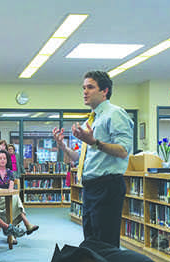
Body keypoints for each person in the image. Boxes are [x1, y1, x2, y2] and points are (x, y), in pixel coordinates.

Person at [52, 70, 133, 247]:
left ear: (104, 91)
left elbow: (123, 150)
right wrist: (63, 147)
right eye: (83, 88)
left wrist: (95, 142)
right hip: (90, 187)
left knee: (105, 243)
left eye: (90, 87)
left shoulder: (115, 114)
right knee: (91, 239)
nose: (85, 92)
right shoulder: (90, 120)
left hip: (107, 185)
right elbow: (82, 157)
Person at [0, 150, 38, 244]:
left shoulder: (10, 172)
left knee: (14, 198)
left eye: (4, 158)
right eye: (0, 158)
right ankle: (26, 224)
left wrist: (5, 194)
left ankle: (11, 233)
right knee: (15, 199)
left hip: (6, 198)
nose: (2, 160)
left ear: (7, 160)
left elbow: (11, 189)